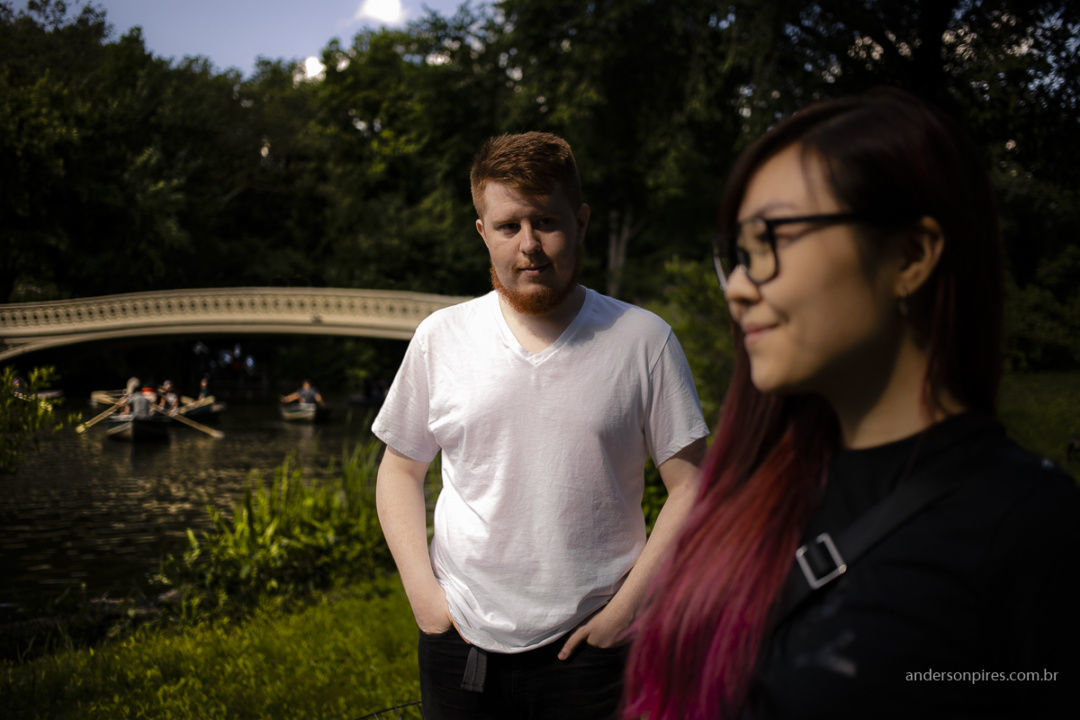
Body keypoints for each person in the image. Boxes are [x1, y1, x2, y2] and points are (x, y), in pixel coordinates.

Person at [622, 88, 1079, 719]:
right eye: (740, 256)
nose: (739, 290)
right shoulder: (756, 489)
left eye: (773, 240)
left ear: (910, 255)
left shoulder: (1032, 529)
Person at [372, 131, 709, 719]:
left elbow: (693, 485)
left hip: (595, 649)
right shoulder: (440, 338)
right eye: (509, 226)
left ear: (580, 222)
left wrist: (626, 612)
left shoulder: (643, 340)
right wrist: (424, 597)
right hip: (460, 644)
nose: (528, 245)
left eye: (546, 222)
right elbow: (399, 471)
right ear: (483, 232)